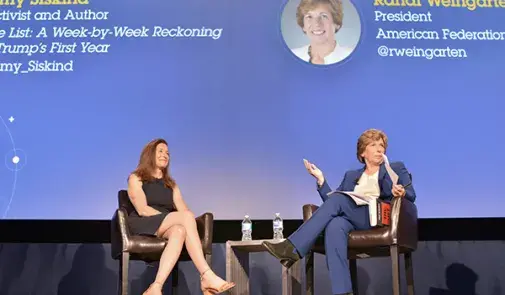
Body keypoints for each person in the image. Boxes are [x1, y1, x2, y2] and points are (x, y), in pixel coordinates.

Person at [262, 129, 416, 295]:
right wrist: (321, 180)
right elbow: (332, 206)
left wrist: (401, 192)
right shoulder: (351, 176)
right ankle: (342, 291)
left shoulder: (395, 167)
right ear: (363, 152)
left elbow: (411, 194)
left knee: (338, 201)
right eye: (374, 145)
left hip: (376, 218)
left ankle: (293, 248)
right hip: (353, 217)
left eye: (382, 145)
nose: (380, 149)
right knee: (335, 225)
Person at [127, 138, 235, 295]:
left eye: (168, 153)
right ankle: (206, 275)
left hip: (166, 224)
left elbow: (184, 211)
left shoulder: (171, 184)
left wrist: (181, 218)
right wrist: (174, 217)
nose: (165, 155)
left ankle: (156, 286)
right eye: (161, 151)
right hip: (144, 222)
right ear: (150, 154)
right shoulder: (136, 178)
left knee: (179, 230)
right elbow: (142, 209)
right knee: (183, 219)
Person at [291, 0, 353, 65]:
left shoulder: (352, 57)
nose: (316, 23)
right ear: (303, 26)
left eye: (324, 16)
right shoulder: (293, 56)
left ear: (336, 23)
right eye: (309, 17)